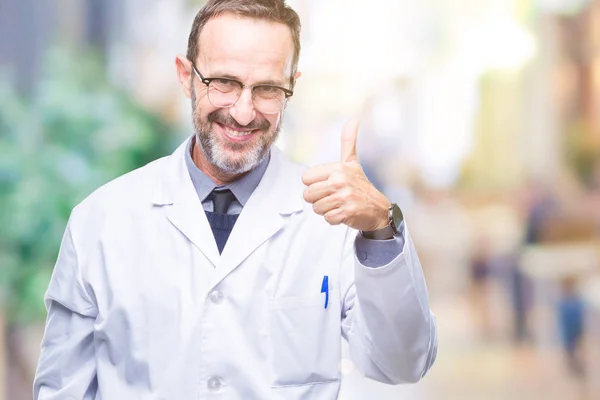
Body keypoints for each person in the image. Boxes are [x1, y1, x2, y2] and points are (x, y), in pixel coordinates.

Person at [33, 1, 437, 398]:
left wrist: (382, 228)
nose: (243, 113)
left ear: (290, 87)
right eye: (223, 82)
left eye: (266, 89)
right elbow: (62, 389)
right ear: (186, 76)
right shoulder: (102, 222)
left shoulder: (331, 220)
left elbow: (403, 363)